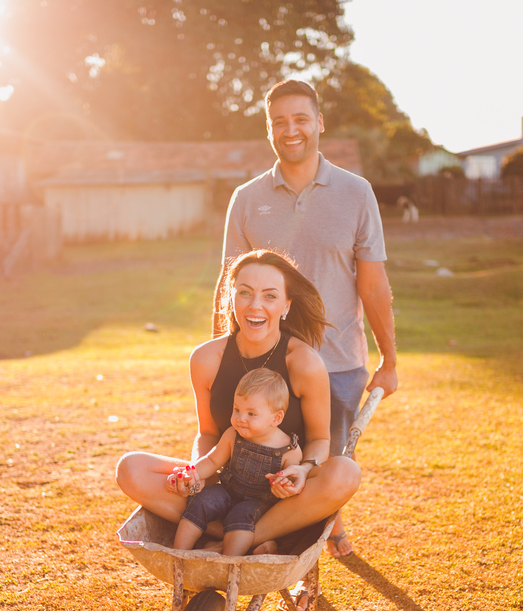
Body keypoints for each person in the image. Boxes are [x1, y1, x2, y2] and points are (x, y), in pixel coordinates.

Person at [217, 78, 398, 557]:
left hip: (337, 363)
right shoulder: (246, 197)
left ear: (319, 123)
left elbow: (373, 284)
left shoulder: (356, 193)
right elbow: (229, 285)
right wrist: (221, 354)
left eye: (301, 119)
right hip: (264, 363)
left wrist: (390, 359)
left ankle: (312, 549)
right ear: (269, 130)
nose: (290, 129)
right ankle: (258, 542)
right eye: (279, 121)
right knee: (253, 467)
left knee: (322, 468)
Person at [116, 249, 360, 555]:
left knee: (346, 472)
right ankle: (244, 536)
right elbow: (207, 433)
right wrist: (198, 475)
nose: (255, 305)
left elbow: (320, 439)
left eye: (270, 296)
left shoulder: (304, 363)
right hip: (224, 484)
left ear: (286, 305)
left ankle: (232, 539)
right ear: (231, 297)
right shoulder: (206, 359)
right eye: (245, 292)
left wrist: (302, 470)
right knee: (131, 468)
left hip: (279, 496)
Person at [169, 368, 303, 555]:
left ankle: (228, 561)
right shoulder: (233, 435)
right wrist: (193, 472)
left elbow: (291, 487)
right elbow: (213, 460)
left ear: (276, 418)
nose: (240, 419)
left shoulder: (289, 449)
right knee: (202, 500)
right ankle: (178, 554)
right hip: (228, 491)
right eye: (237, 409)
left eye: (251, 414)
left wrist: (284, 485)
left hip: (259, 505)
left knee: (241, 516)